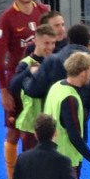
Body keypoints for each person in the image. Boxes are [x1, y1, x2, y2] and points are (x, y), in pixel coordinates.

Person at [0, 0, 50, 179]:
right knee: (14, 131)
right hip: (18, 81)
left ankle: (41, 178)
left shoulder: (43, 11)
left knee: (42, 129)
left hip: (42, 80)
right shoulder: (8, 18)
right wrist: (3, 90)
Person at [43, 51, 90, 179]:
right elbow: (74, 137)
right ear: (83, 73)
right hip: (66, 161)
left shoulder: (56, 87)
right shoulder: (70, 98)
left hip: (49, 156)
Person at [10, 24, 57, 152]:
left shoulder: (55, 63)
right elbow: (13, 86)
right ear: (36, 41)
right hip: (31, 125)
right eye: (46, 43)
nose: (50, 47)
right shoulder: (27, 63)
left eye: (53, 43)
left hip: (52, 124)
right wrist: (28, 71)